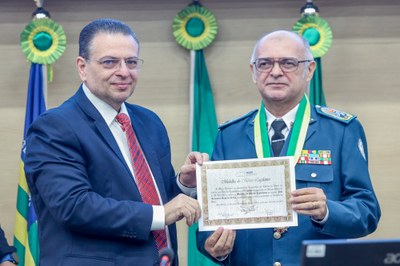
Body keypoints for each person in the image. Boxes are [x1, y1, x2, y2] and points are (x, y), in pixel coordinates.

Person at [24, 18, 205, 266]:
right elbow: (74, 206)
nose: (123, 71)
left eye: (131, 62)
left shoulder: (149, 122)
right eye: (110, 62)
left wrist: (184, 185)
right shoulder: (54, 127)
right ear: (82, 67)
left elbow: (157, 200)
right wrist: (162, 214)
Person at [196, 30, 381, 266]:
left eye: (288, 63)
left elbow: (367, 211)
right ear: (253, 72)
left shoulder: (342, 130)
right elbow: (210, 219)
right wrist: (214, 247)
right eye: (265, 63)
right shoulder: (229, 135)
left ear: (310, 70)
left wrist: (327, 212)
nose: (275, 72)